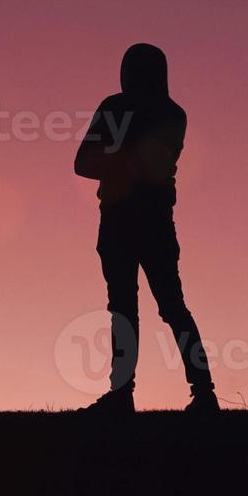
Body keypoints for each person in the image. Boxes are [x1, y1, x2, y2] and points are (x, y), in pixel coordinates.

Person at [74, 43, 219, 415]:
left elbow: (94, 161)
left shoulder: (135, 110)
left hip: (138, 219)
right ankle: (191, 393)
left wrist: (118, 161)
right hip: (135, 219)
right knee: (153, 307)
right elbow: (85, 162)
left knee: (151, 308)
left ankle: (192, 393)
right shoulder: (161, 112)